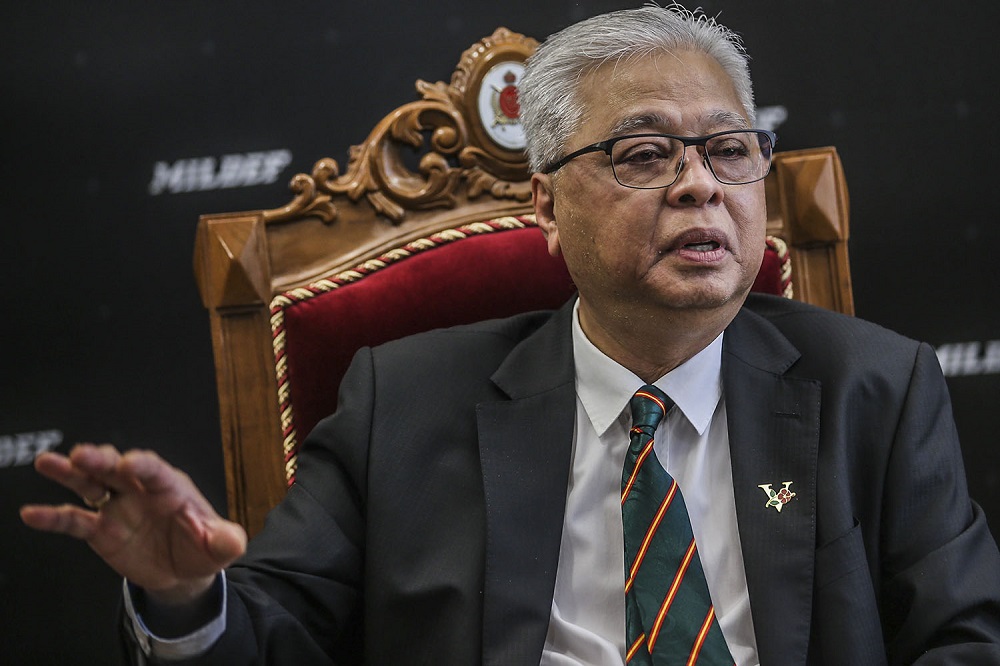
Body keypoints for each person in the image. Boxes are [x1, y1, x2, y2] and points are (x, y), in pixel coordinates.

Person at [20, 5, 1000, 664]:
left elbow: (966, 637)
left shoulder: (876, 388)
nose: (699, 182)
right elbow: (275, 637)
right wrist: (188, 598)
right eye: (646, 153)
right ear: (544, 203)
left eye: (728, 150)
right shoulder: (401, 404)